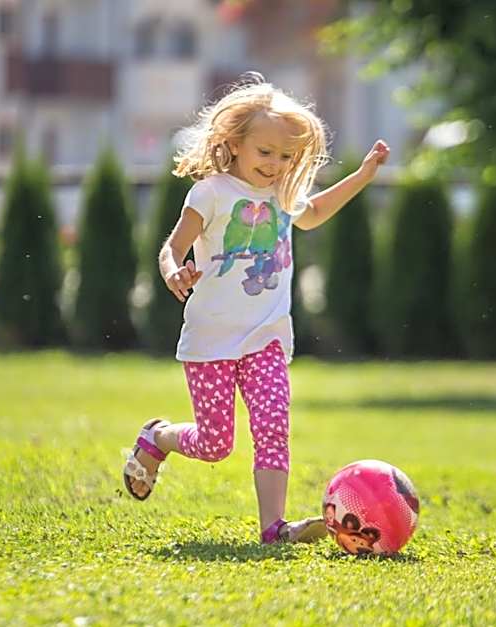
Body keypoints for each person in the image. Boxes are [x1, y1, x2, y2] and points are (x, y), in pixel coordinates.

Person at [122, 74, 390, 545]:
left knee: (273, 427)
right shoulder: (211, 193)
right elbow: (173, 247)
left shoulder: (283, 198)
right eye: (265, 152)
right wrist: (173, 270)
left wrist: (363, 175)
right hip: (211, 340)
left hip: (266, 336)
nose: (275, 164)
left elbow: (317, 212)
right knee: (214, 444)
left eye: (286, 156)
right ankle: (158, 437)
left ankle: (274, 528)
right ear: (236, 143)